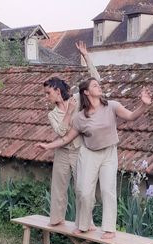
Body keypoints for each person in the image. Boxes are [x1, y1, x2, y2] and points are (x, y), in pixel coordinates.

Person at [38, 76, 152, 239]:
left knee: (107, 190)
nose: (99, 86)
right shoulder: (80, 117)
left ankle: (109, 229)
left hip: (108, 153)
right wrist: (48, 146)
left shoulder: (112, 106)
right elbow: (65, 138)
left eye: (99, 85)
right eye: (94, 85)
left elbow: (132, 116)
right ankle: (83, 225)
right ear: (86, 91)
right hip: (88, 153)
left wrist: (143, 105)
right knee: (83, 191)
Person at [43, 41, 100, 227]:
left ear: (57, 91)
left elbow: (95, 81)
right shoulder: (52, 114)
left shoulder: (76, 98)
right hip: (62, 153)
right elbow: (60, 131)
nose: (46, 96)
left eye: (48, 93)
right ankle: (56, 220)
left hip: (79, 151)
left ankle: (86, 222)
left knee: (82, 189)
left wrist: (86, 56)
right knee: (59, 188)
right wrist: (68, 113)